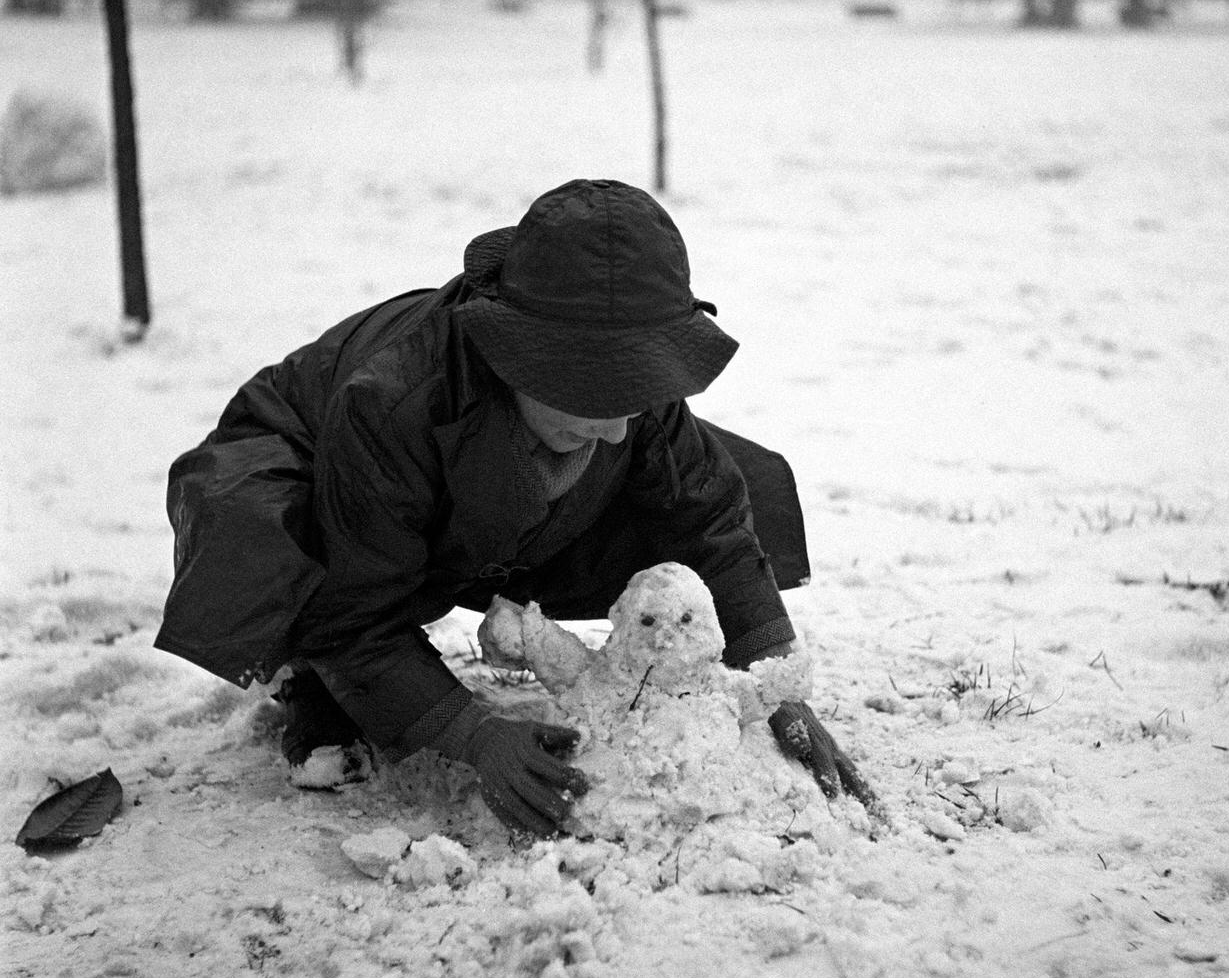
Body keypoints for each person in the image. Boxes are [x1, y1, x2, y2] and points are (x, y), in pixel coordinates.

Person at [155, 179, 874, 836]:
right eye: (596, 397)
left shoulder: (626, 391)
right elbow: (359, 608)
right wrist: (473, 734)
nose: (621, 427)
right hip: (327, 487)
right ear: (516, 357)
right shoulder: (392, 400)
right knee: (268, 544)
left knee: (741, 481)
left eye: (635, 394)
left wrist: (769, 674)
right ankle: (305, 677)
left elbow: (708, 519)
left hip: (484, 525)